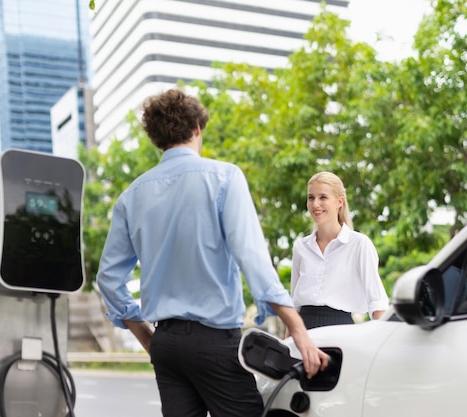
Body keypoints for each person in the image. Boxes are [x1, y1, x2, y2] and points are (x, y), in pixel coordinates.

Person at [96, 88, 329, 417]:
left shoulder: (132, 196)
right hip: (214, 344)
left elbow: (107, 277)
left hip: (166, 345)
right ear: (196, 129)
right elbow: (252, 257)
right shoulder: (224, 177)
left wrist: (146, 336)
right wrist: (299, 330)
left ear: (156, 139)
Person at [290, 171, 389, 329]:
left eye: (323, 197)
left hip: (340, 331)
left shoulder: (359, 245)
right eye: (311, 197)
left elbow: (377, 302)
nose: (315, 204)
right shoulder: (301, 247)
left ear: (339, 201)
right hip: (303, 332)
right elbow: (294, 304)